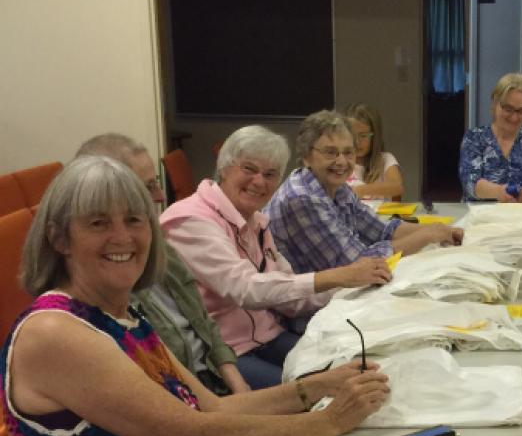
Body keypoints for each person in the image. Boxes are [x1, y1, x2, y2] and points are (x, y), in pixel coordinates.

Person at [1, 155, 390, 436]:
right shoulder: (54, 332)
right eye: (98, 223)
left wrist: (319, 385)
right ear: (59, 239)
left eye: (134, 220)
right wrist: (329, 421)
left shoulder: (121, 317)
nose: (122, 237)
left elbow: (214, 411)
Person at [160, 125, 391, 389]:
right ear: (224, 168)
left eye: (270, 174)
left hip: (268, 336)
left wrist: (355, 286)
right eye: (248, 169)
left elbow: (290, 298)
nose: (259, 181)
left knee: (361, 370)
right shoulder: (191, 220)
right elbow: (245, 289)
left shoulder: (256, 221)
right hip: (225, 354)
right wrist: (338, 276)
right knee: (324, 395)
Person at [76, 133, 250, 396]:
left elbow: (204, 323)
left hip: (212, 379)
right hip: (185, 393)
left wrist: (239, 388)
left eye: (155, 183)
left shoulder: (159, 244)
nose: (159, 196)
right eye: (146, 188)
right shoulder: (102, 282)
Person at [266, 110, 462, 274]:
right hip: (304, 309)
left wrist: (441, 230)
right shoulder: (302, 198)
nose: (342, 161)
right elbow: (357, 264)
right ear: (307, 156)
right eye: (331, 152)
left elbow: (381, 230)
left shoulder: (338, 188)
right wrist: (425, 235)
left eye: (348, 152)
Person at [458, 72, 522, 202]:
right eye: (508, 109)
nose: (514, 117)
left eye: (521, 111)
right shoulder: (474, 138)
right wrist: (498, 192)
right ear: (495, 103)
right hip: (483, 218)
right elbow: (469, 180)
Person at [343, 103, 404, 200]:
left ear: (375, 137)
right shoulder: (340, 162)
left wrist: (361, 190)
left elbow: (397, 187)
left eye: (363, 136)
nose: (357, 142)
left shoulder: (385, 159)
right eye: (352, 135)